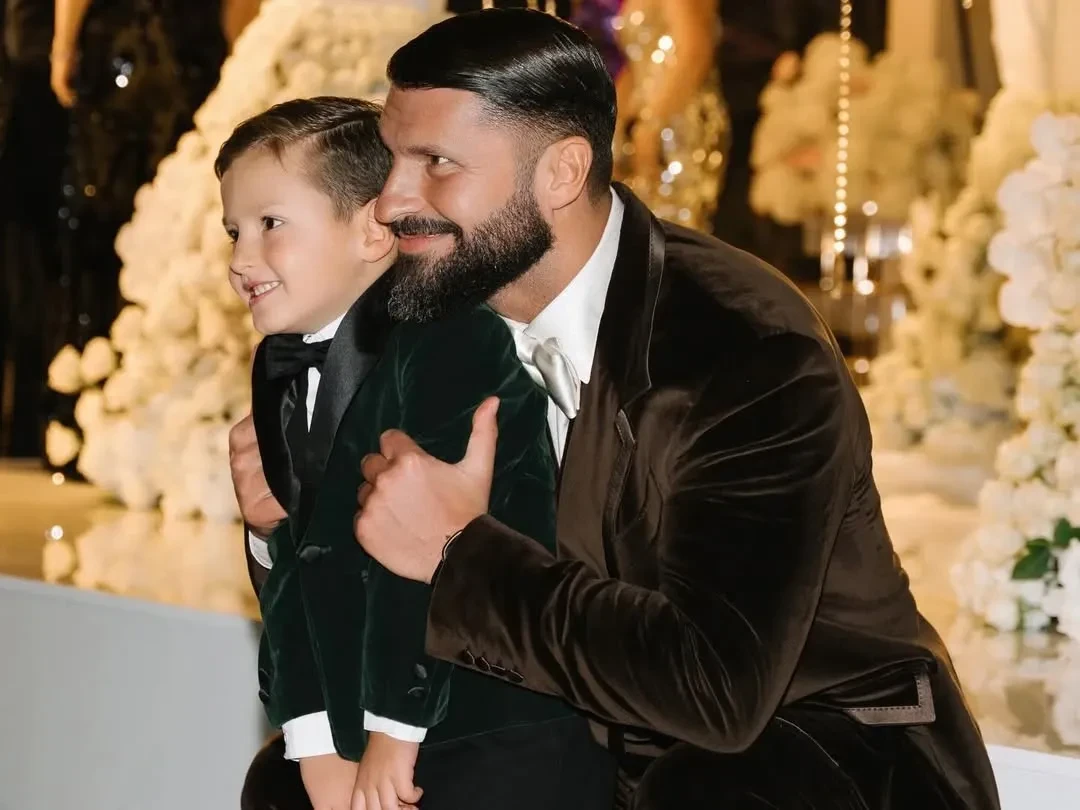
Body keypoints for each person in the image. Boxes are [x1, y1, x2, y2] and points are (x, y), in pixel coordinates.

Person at [342, 10, 998, 809]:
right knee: (309, 777)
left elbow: (716, 687)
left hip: (819, 751)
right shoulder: (435, 321)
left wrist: (460, 553)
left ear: (561, 173)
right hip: (594, 739)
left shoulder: (743, 350)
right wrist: (282, 523)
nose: (389, 202)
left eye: (436, 163)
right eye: (391, 158)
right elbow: (369, 587)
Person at [220, 96, 604, 810]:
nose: (241, 260)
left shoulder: (450, 337)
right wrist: (315, 745)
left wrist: (393, 734)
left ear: (373, 229)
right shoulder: (281, 365)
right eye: (233, 231)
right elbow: (301, 571)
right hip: (365, 721)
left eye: (271, 224)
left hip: (493, 722)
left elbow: (425, 558)